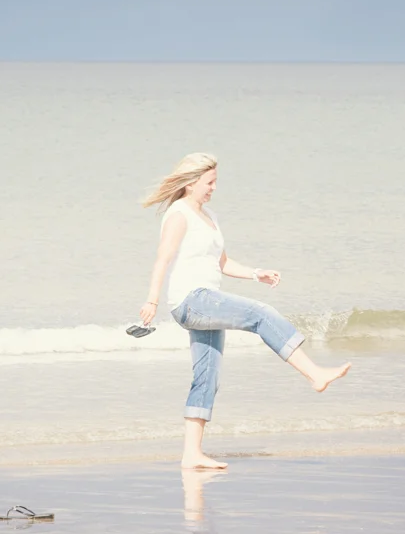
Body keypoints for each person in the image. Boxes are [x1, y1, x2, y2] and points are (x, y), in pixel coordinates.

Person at [139, 152, 351, 469]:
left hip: (207, 301)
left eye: (215, 182)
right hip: (192, 299)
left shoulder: (209, 216)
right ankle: (314, 374)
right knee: (260, 313)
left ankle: (191, 454)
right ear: (191, 182)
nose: (214, 188)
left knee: (207, 376)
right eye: (209, 182)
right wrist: (152, 300)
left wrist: (255, 273)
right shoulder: (179, 214)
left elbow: (222, 263)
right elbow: (163, 258)